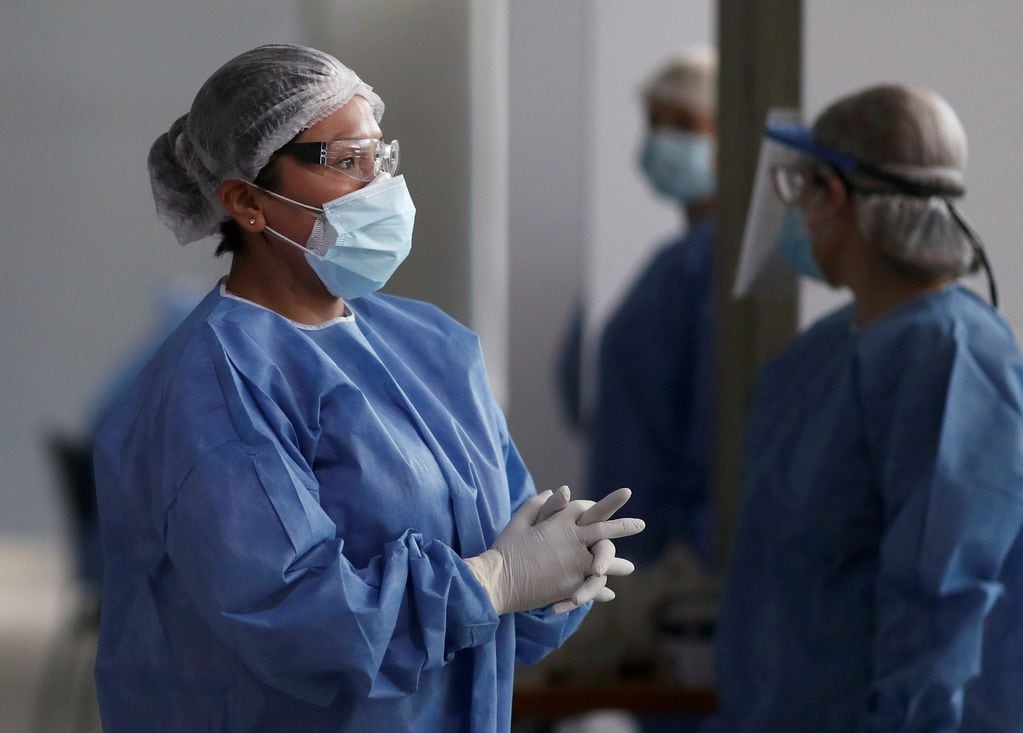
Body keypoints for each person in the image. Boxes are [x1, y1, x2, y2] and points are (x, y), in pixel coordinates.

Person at [93, 43, 644, 732]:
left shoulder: (429, 346)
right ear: (247, 201)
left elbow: (501, 562)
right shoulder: (215, 385)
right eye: (346, 161)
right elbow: (299, 618)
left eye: (380, 159)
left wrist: (552, 574)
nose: (379, 188)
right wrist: (492, 583)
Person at [706, 84, 1023, 731]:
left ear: (836, 196)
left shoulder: (952, 360)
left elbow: (939, 604)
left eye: (800, 189)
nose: (793, 213)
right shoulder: (818, 359)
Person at [585, 48, 718, 566]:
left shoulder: (711, 265)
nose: (665, 140)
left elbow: (715, 415)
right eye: (655, 123)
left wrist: (693, 541)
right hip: (640, 543)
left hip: (679, 546)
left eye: (684, 124)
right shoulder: (672, 262)